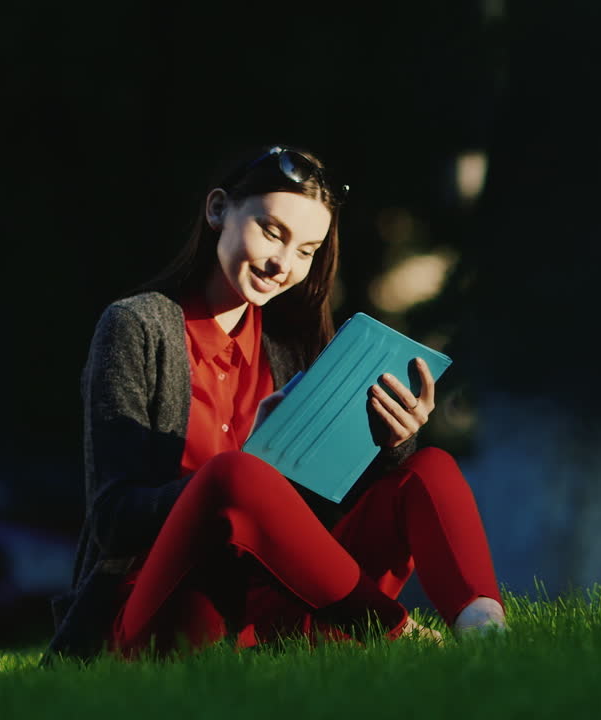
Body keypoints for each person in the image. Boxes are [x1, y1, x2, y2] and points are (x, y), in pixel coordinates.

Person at [42, 144, 506, 664]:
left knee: (428, 467)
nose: (282, 264)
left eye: (306, 250)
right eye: (271, 231)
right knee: (235, 475)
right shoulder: (138, 326)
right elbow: (113, 519)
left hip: (276, 611)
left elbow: (321, 513)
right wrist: (251, 467)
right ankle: (400, 638)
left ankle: (485, 633)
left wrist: (393, 442)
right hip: (159, 615)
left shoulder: (290, 343)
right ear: (218, 210)